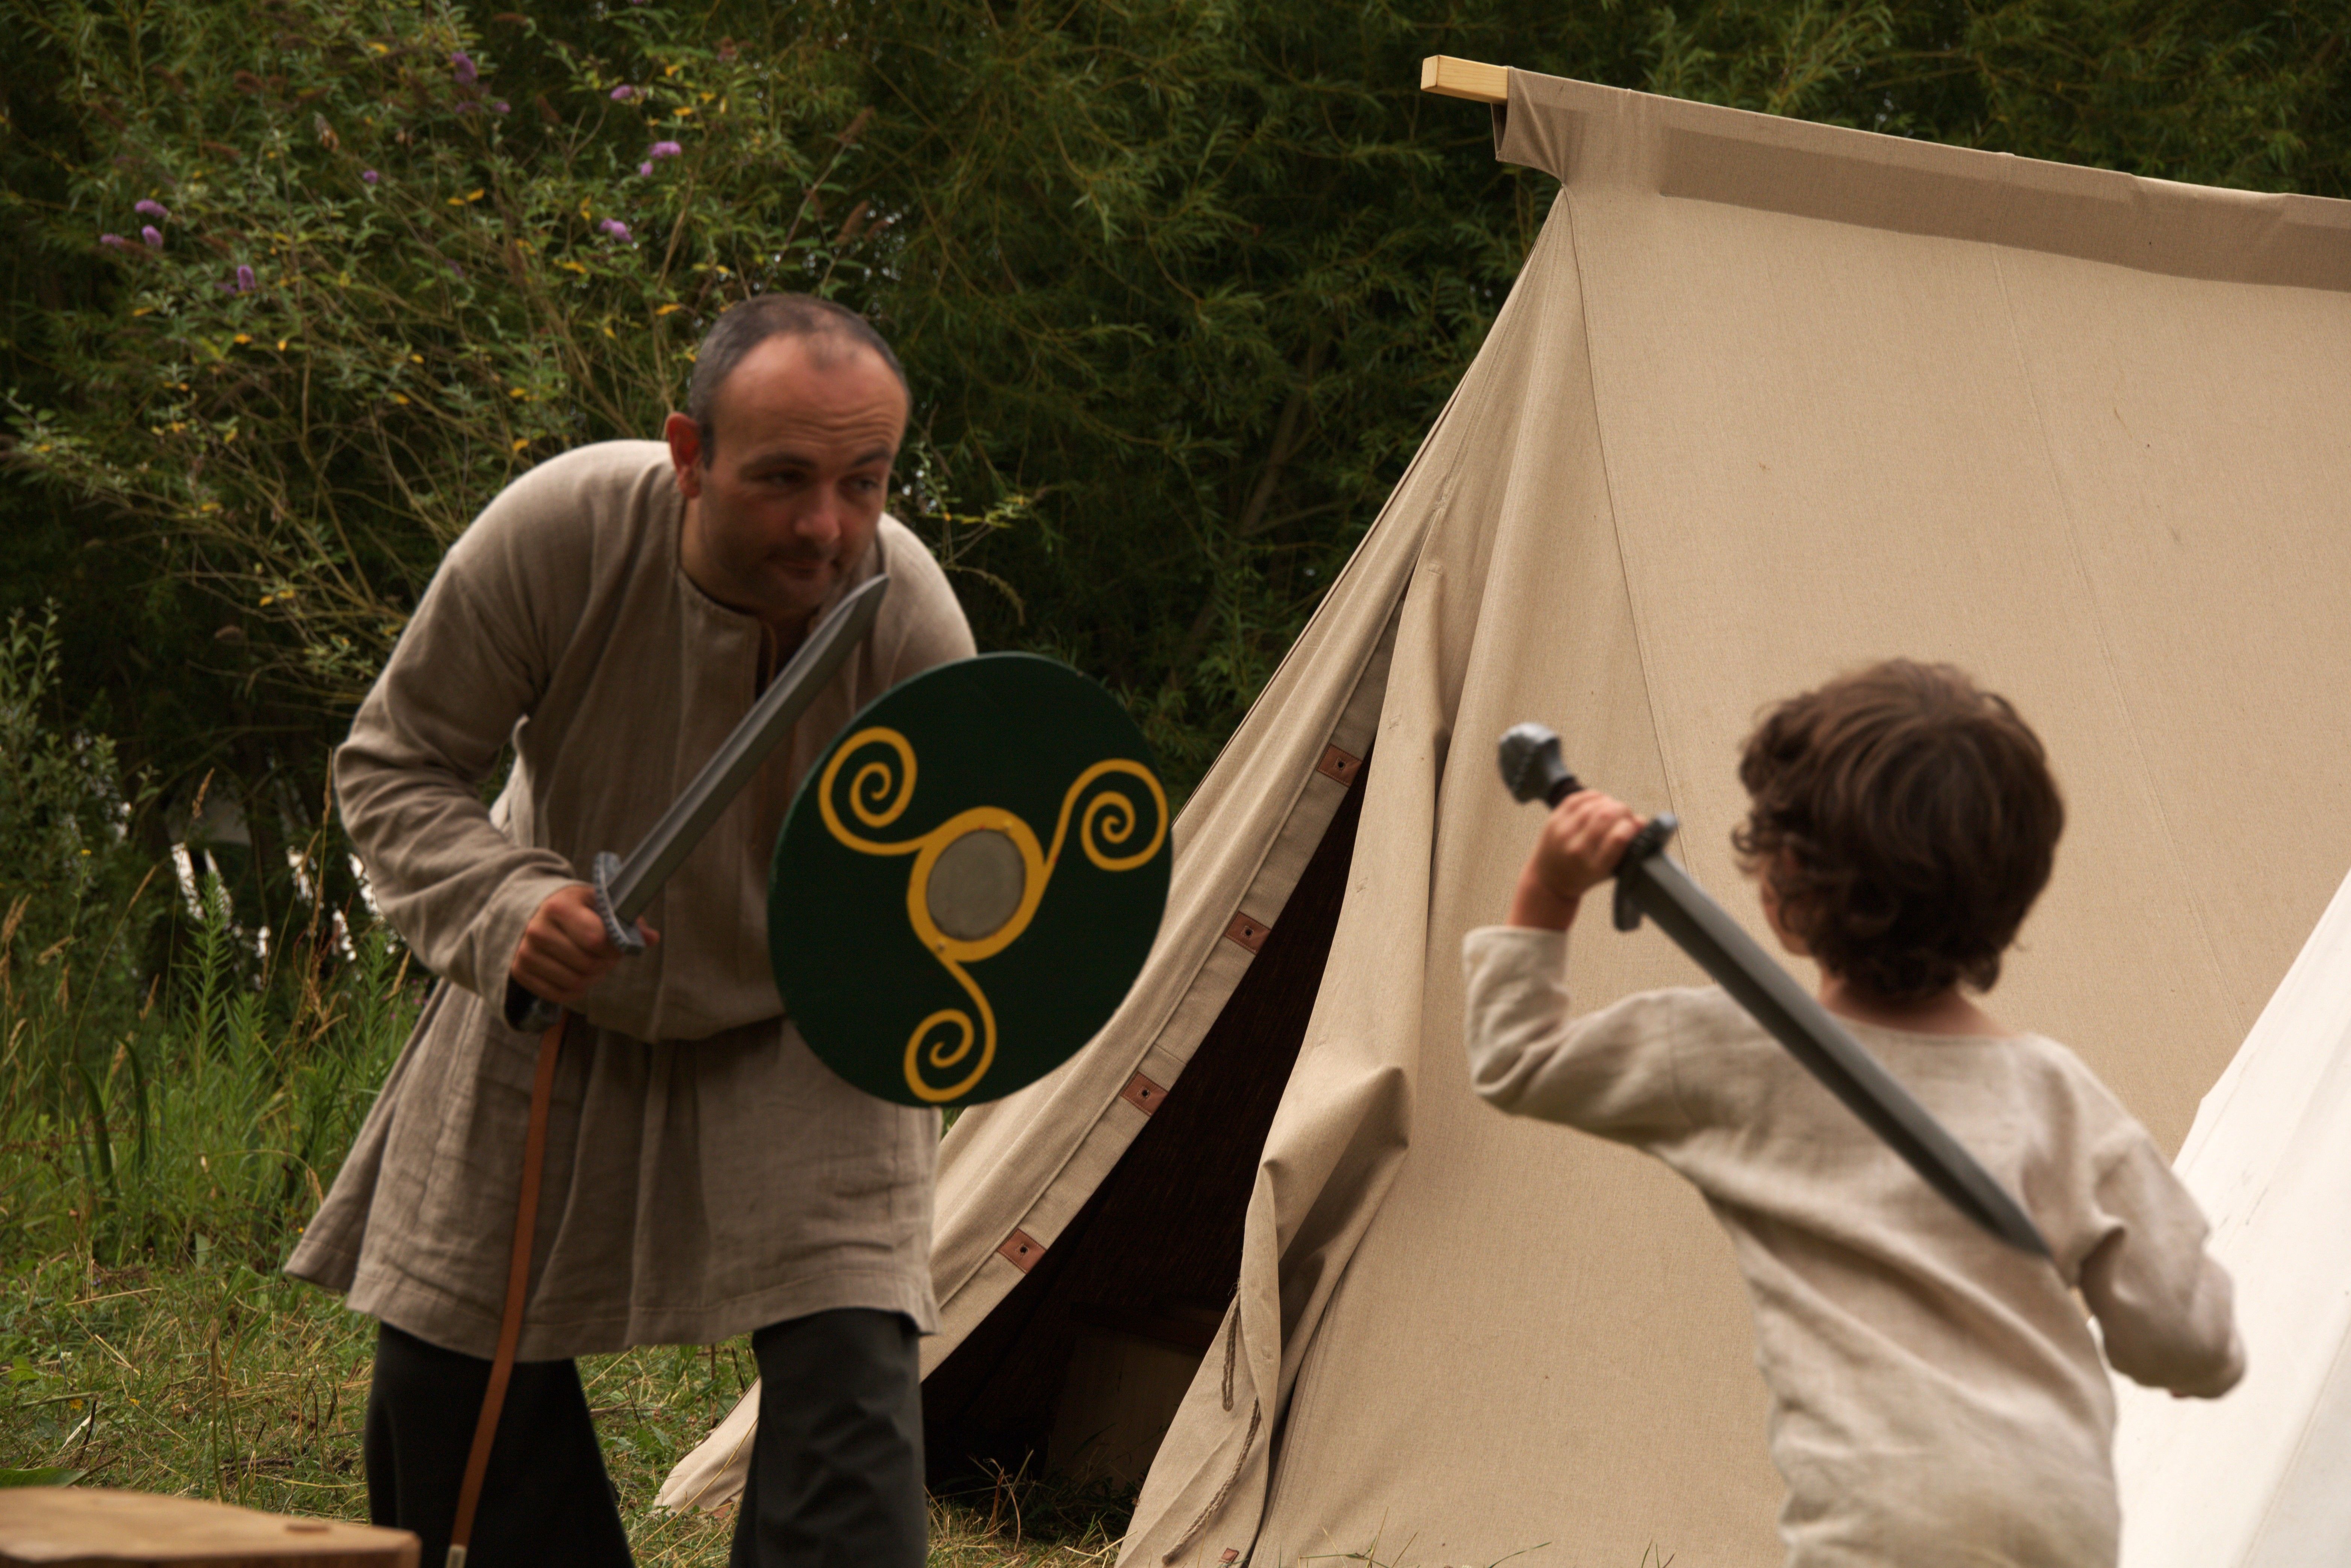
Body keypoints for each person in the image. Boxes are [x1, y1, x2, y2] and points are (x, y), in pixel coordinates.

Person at [287, 294, 975, 1567]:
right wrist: (508, 905)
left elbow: (958, 884)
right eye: (781, 479)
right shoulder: (560, 534)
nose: (825, 525)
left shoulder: (908, 616)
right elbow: (394, 765)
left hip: (803, 1018)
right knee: (448, 1375)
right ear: (689, 454)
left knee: (848, 1376)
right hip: (554, 988)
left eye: (863, 481)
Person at [1461, 660, 2243, 1568]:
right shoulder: (2057, 1097)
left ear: (1781, 882)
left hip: (1878, 1514)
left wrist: (1549, 890)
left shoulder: (1723, 1055)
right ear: (2012, 894)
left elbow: (1515, 1059)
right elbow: (2188, 1344)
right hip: (2054, 1518)